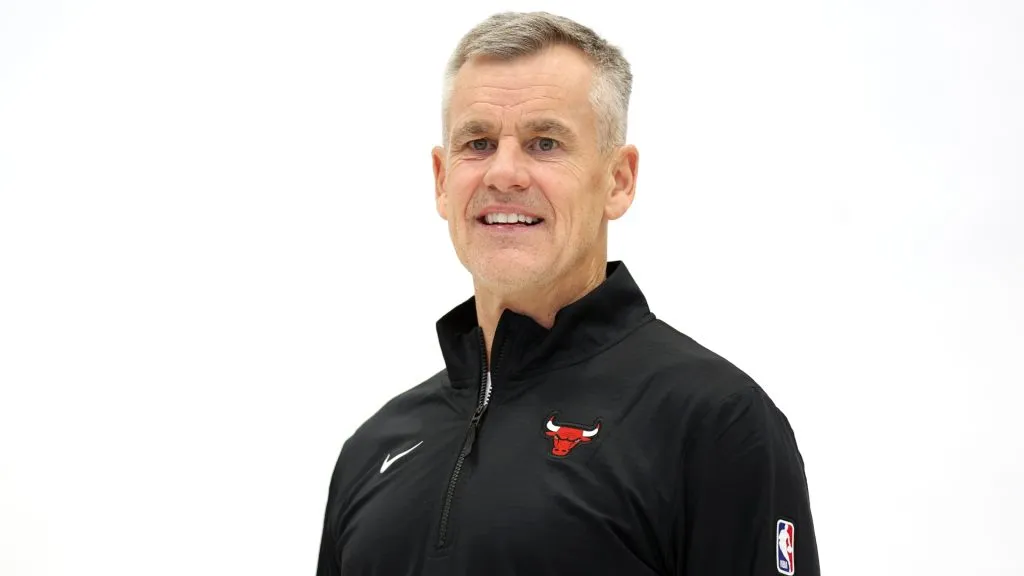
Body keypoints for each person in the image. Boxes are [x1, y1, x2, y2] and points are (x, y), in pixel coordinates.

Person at [316, 11, 819, 576]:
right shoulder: (372, 450)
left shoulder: (712, 423)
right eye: (478, 143)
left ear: (618, 180)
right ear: (440, 178)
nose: (504, 174)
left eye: (545, 143)